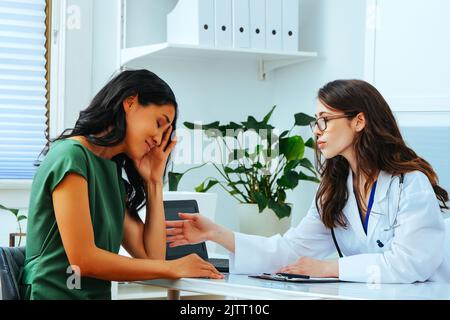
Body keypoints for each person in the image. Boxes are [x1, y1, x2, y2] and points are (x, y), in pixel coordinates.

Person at [166, 79, 450, 283]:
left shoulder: (410, 184)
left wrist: (329, 268)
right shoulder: (335, 191)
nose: (317, 130)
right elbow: (293, 250)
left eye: (325, 119)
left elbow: (409, 264)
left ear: (359, 121)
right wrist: (216, 234)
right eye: (316, 121)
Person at [19, 69, 222, 300]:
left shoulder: (110, 173)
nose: (158, 139)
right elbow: (83, 259)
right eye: (158, 123)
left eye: (165, 132)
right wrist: (174, 267)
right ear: (130, 102)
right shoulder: (71, 156)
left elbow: (152, 259)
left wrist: (153, 182)